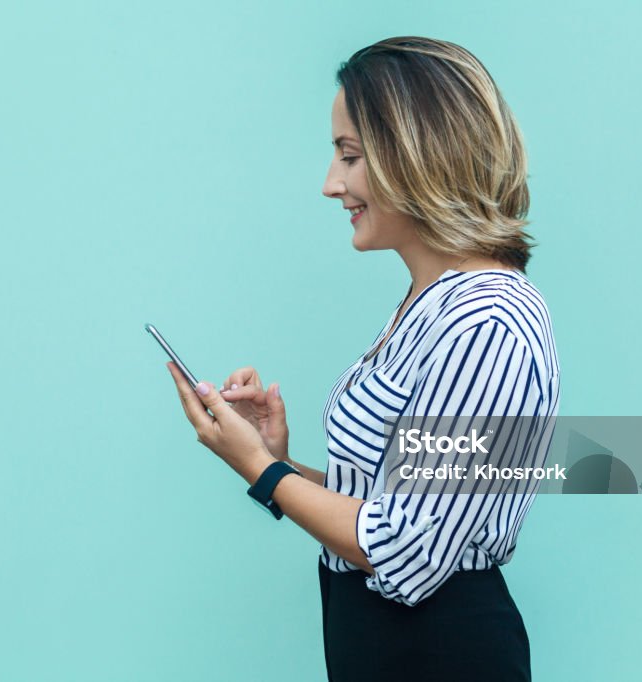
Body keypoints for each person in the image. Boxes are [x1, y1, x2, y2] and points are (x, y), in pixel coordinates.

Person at [166, 36, 560, 682]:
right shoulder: (428, 305)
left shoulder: (487, 325)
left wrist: (262, 472)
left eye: (350, 156)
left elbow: (407, 548)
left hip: (439, 657)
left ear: (419, 155)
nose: (331, 185)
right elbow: (390, 507)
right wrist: (274, 458)